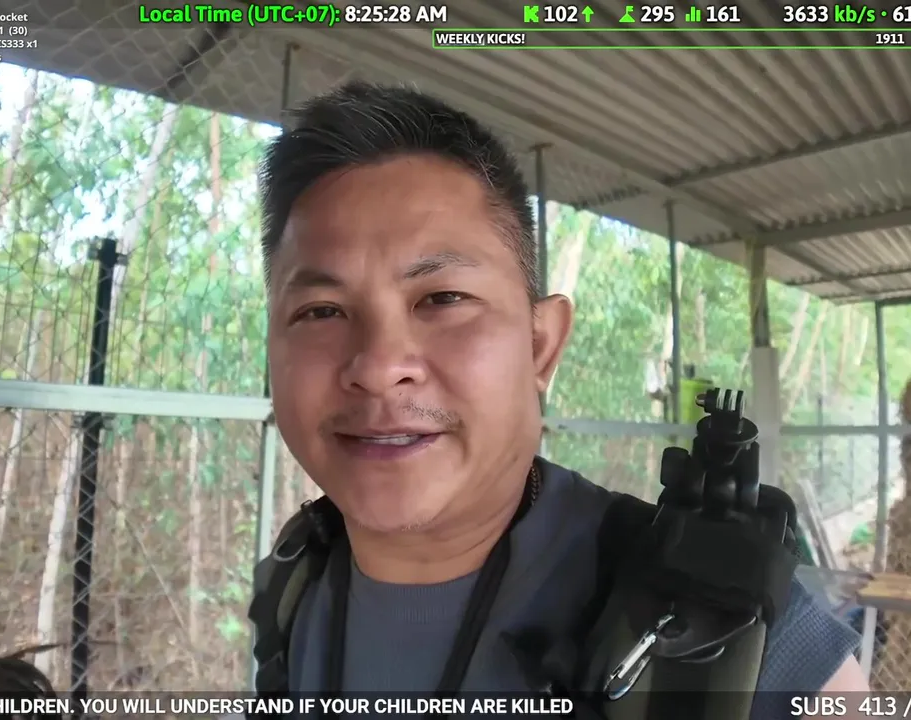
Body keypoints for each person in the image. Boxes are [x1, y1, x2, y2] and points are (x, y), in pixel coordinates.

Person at [255, 81, 869, 717]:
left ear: (540, 347)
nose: (380, 368)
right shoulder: (294, 583)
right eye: (321, 310)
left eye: (442, 298)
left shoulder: (727, 628)